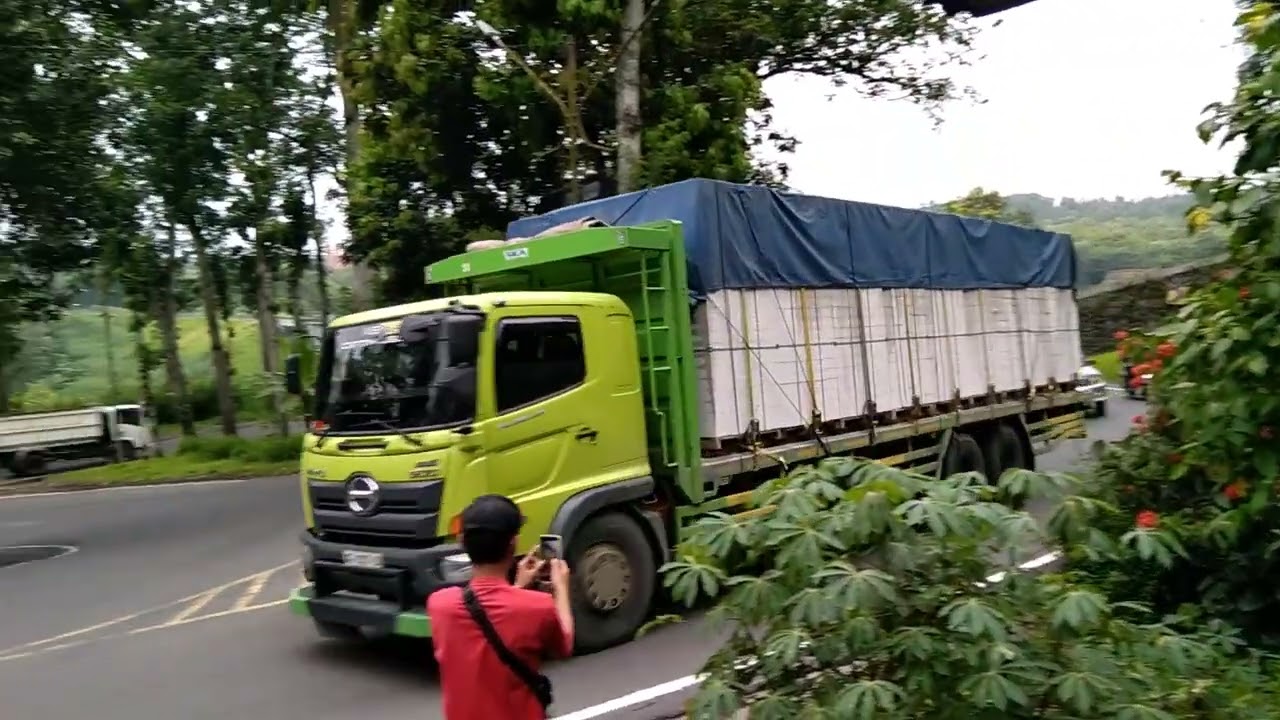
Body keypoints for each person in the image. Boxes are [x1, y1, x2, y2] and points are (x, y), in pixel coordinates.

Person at [427, 494, 574, 720]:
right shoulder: (537, 607)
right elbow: (564, 645)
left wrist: (517, 587)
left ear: (462, 541)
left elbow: (488, 613)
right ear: (512, 543)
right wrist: (561, 588)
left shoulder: (439, 604)